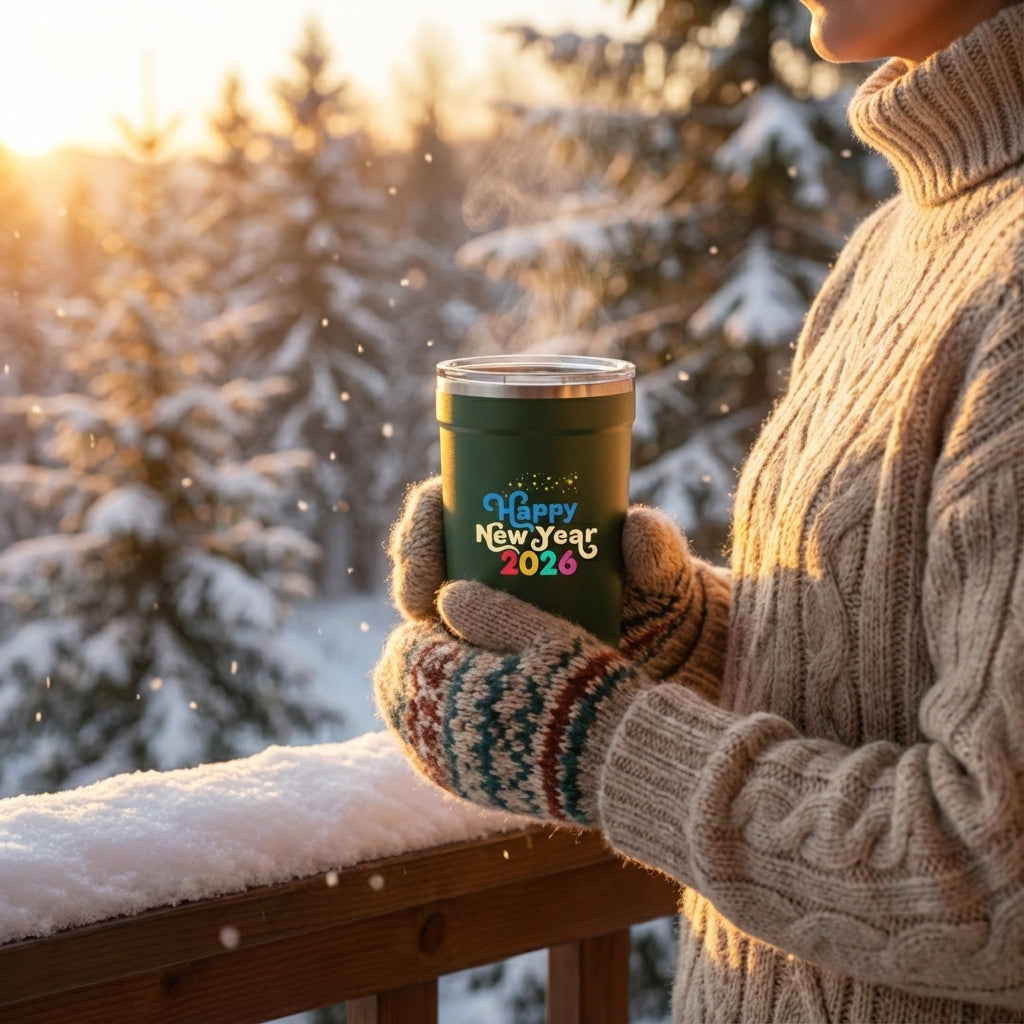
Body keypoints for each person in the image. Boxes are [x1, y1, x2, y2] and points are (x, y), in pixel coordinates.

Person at [373, 2, 1024, 1020]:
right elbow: (895, 675)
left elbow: (996, 881)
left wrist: (601, 742)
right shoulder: (904, 232)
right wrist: (681, 641)